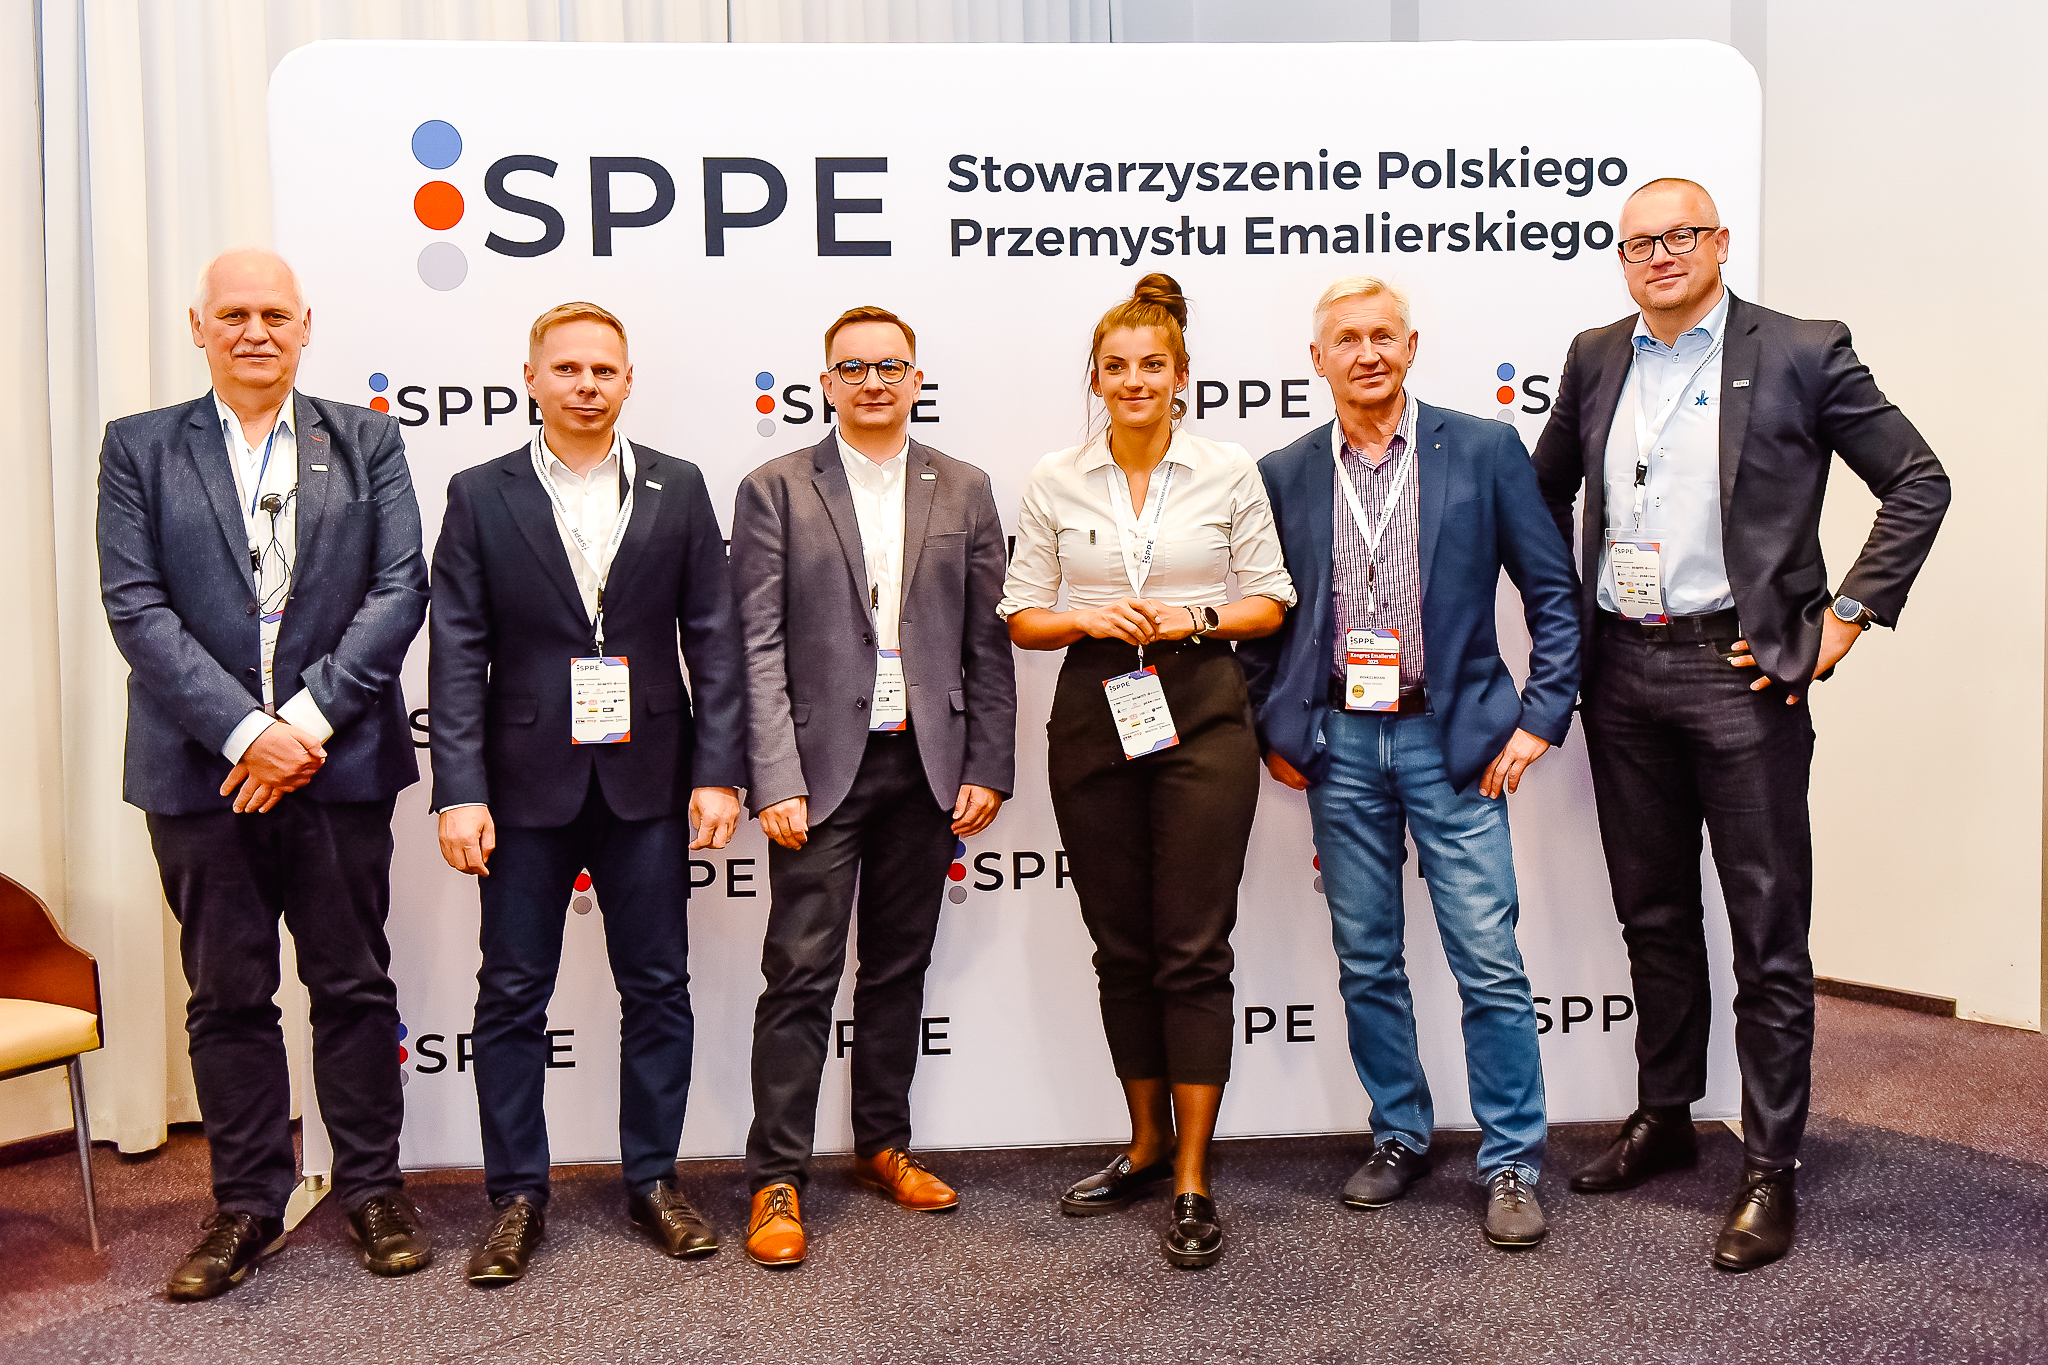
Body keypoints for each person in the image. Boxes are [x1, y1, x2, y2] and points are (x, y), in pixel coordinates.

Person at [1531, 178, 1949, 1271]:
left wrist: (1842, 619)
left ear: (1718, 242)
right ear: (1621, 261)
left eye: (1680, 235)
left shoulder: (1802, 350)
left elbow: (1917, 480)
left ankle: (1769, 1164)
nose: (1659, 254)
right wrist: (1560, 623)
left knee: (1766, 931)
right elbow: (1542, 495)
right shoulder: (1595, 356)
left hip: (1740, 673)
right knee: (1654, 915)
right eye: (1638, 242)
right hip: (1622, 672)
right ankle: (1665, 1115)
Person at [98, 247, 432, 1299]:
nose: (255, 331)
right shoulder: (140, 446)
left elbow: (398, 589)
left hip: (338, 763)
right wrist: (246, 733)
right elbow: (135, 606)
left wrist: (301, 724)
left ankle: (372, 1188)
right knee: (228, 994)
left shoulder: (367, 440)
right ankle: (245, 1205)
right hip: (199, 774)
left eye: (274, 315)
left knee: (353, 985)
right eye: (234, 314)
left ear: (305, 326)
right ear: (198, 326)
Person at [1240, 276, 1581, 1249]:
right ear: (1317, 359)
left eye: (1382, 335)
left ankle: (1510, 1158)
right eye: (1345, 339)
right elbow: (1264, 615)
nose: (1366, 353)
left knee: (1488, 959)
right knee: (1366, 959)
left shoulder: (1482, 450)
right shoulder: (1284, 471)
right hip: (1339, 746)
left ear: (1411, 345)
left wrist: (1539, 718)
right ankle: (1398, 1130)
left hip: (1454, 741)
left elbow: (1552, 595)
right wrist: (1272, 727)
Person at [429, 302, 747, 1286]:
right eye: (566, 368)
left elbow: (714, 640)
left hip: (649, 780)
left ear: (628, 379)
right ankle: (516, 1197)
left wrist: (719, 771)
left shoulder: (678, 486)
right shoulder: (480, 492)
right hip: (522, 786)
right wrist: (459, 789)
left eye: (603, 369)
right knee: (511, 994)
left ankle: (653, 1180)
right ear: (530, 378)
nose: (586, 384)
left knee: (657, 987)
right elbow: (457, 650)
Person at [1001, 274, 1295, 1270]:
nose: (1134, 381)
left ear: (1180, 375)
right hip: (1095, 706)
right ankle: (1144, 1143)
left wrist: (1194, 614)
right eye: (1117, 367)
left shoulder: (1226, 469)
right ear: (1096, 378)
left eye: (1152, 365)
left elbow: (1269, 598)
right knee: (1121, 947)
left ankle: (1193, 1174)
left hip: (1202, 703)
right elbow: (1021, 613)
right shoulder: (1055, 477)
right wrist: (1085, 616)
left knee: (1192, 948)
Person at [731, 305, 1016, 1267]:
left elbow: (987, 641)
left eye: (890, 365)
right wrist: (773, 773)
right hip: (818, 775)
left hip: (926, 764)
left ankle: (884, 1142)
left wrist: (987, 762)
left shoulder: (965, 486)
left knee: (899, 966)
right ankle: (777, 1175)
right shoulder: (775, 487)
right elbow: (756, 646)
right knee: (800, 973)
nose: (873, 381)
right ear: (826, 382)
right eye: (852, 367)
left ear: (916, 378)